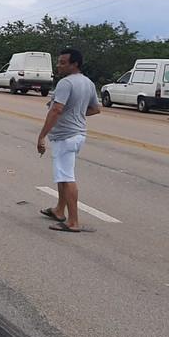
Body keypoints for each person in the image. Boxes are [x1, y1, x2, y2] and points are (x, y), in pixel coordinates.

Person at [37, 48, 101, 233]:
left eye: (63, 63)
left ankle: (73, 221)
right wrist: (76, 113)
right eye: (59, 62)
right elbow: (95, 109)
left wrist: (42, 135)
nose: (59, 66)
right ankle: (59, 210)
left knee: (66, 177)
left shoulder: (66, 83)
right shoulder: (88, 83)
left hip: (65, 136)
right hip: (78, 134)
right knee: (62, 175)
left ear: (75, 64)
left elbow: (56, 110)